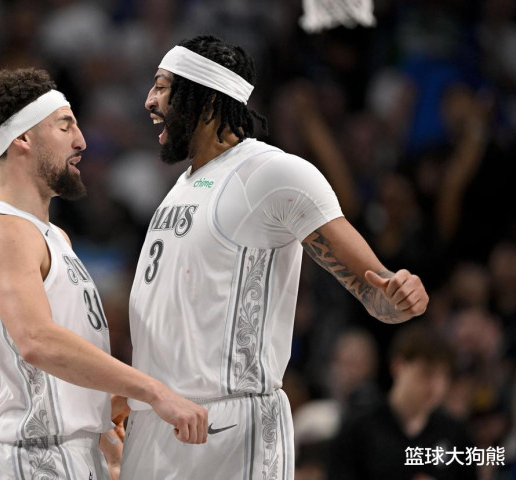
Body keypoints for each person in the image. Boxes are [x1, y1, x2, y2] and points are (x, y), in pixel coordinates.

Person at [121, 34, 429, 480]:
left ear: (206, 99)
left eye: (163, 87)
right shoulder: (181, 187)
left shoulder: (273, 173)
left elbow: (374, 288)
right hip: (156, 419)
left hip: (229, 429)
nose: (149, 100)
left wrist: (399, 295)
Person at [0, 67, 207, 480]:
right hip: (31, 457)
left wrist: (99, 415)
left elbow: (60, 356)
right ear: (23, 139)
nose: (81, 141)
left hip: (72, 451)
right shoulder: (3, 231)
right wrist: (152, 390)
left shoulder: (53, 236)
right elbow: (37, 341)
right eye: (65, 126)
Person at [329, 323, 477, 480]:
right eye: (426, 373)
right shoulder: (359, 430)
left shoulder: (455, 434)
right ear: (398, 366)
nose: (436, 386)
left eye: (443, 375)